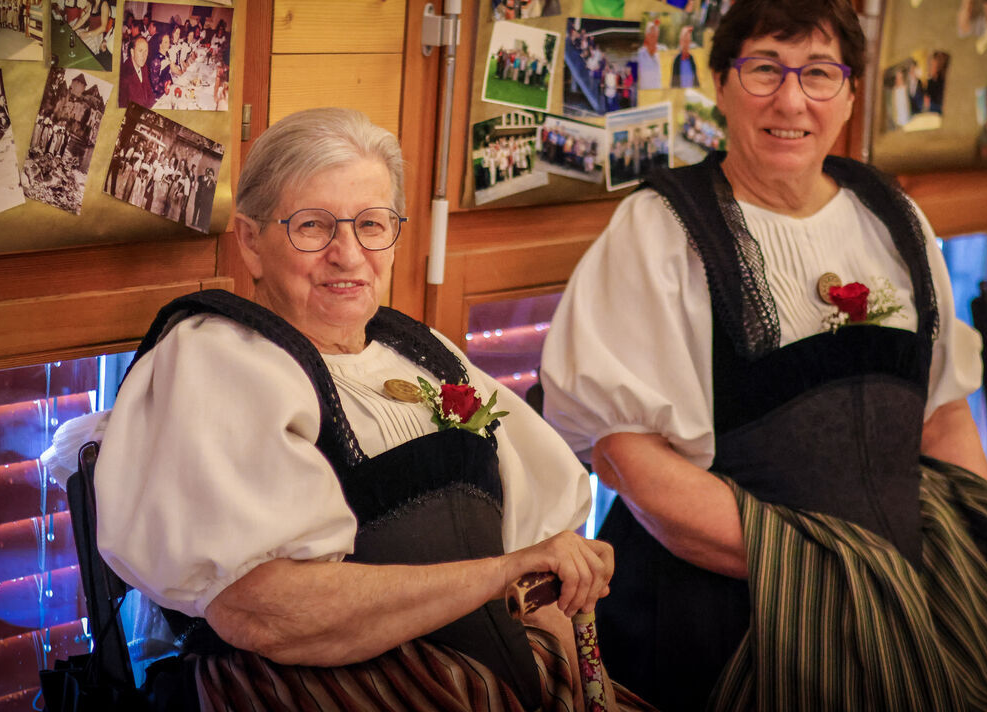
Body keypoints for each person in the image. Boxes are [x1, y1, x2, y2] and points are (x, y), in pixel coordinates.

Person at [541, 0, 987, 712]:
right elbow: (629, 458)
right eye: (764, 69)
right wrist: (827, 570)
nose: (790, 100)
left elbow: (942, 414)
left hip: (911, 565)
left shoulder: (894, 217)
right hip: (750, 603)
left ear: (849, 95)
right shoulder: (658, 232)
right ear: (720, 84)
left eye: (817, 72)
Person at [83, 109, 654, 711]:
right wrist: (499, 573)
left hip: (498, 682)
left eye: (372, 225)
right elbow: (263, 612)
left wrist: (580, 686)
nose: (348, 255)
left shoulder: (424, 353)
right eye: (312, 226)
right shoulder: (219, 360)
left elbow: (540, 557)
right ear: (250, 241)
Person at [119, 36, 155, 108]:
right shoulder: (125, 74)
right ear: (132, 52)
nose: (144, 56)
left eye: (146, 51)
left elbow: (150, 93)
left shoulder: (144, 67)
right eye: (140, 51)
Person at [636, 19, 662, 90]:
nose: (655, 40)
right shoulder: (639, 56)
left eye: (657, 37)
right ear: (647, 36)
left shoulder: (657, 56)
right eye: (653, 36)